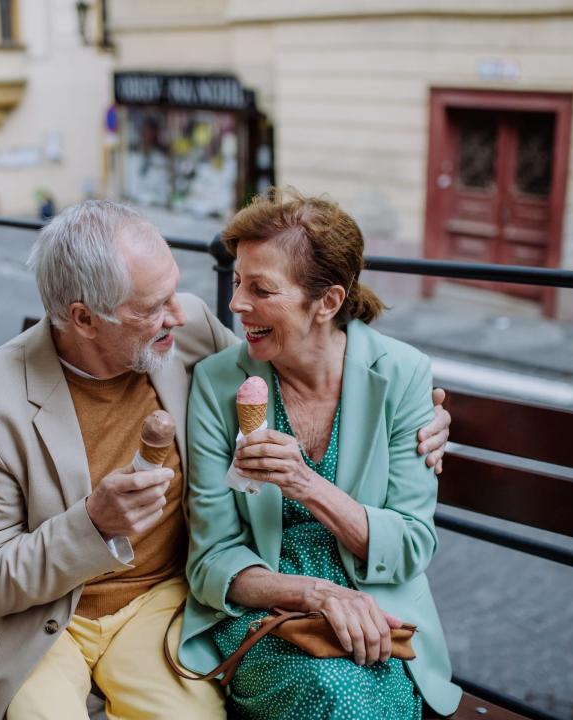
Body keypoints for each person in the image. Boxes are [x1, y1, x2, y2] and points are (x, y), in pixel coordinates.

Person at [0, 199, 452, 720]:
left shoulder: (188, 336)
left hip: (159, 604)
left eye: (174, 292)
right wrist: (92, 525)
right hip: (44, 621)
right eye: (155, 305)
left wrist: (427, 418)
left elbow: (288, 368)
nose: (182, 314)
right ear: (84, 319)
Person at [178, 189, 463, 719]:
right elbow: (212, 558)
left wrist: (305, 483)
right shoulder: (220, 383)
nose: (237, 303)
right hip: (266, 608)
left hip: (380, 612)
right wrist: (318, 595)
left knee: (364, 696)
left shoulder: (401, 376)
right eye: (237, 281)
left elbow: (410, 545)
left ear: (327, 302)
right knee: (329, 693)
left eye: (261, 289)